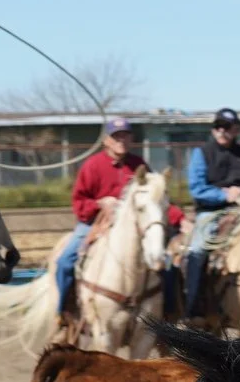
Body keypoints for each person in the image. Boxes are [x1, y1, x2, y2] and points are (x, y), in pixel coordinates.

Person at [56, 117, 163, 306]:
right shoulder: (93, 165)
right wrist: (99, 204)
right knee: (65, 262)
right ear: (106, 140)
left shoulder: (139, 166)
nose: (121, 141)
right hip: (94, 223)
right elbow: (79, 202)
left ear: (131, 139)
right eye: (116, 136)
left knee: (167, 261)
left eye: (125, 136)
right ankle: (63, 311)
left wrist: (178, 220)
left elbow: (152, 199)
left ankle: (171, 312)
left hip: (133, 227)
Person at [182, 108, 240, 319]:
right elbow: (197, 189)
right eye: (218, 126)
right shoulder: (202, 153)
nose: (221, 131)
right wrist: (223, 195)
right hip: (210, 213)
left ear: (236, 130)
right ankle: (194, 310)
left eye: (227, 127)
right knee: (198, 250)